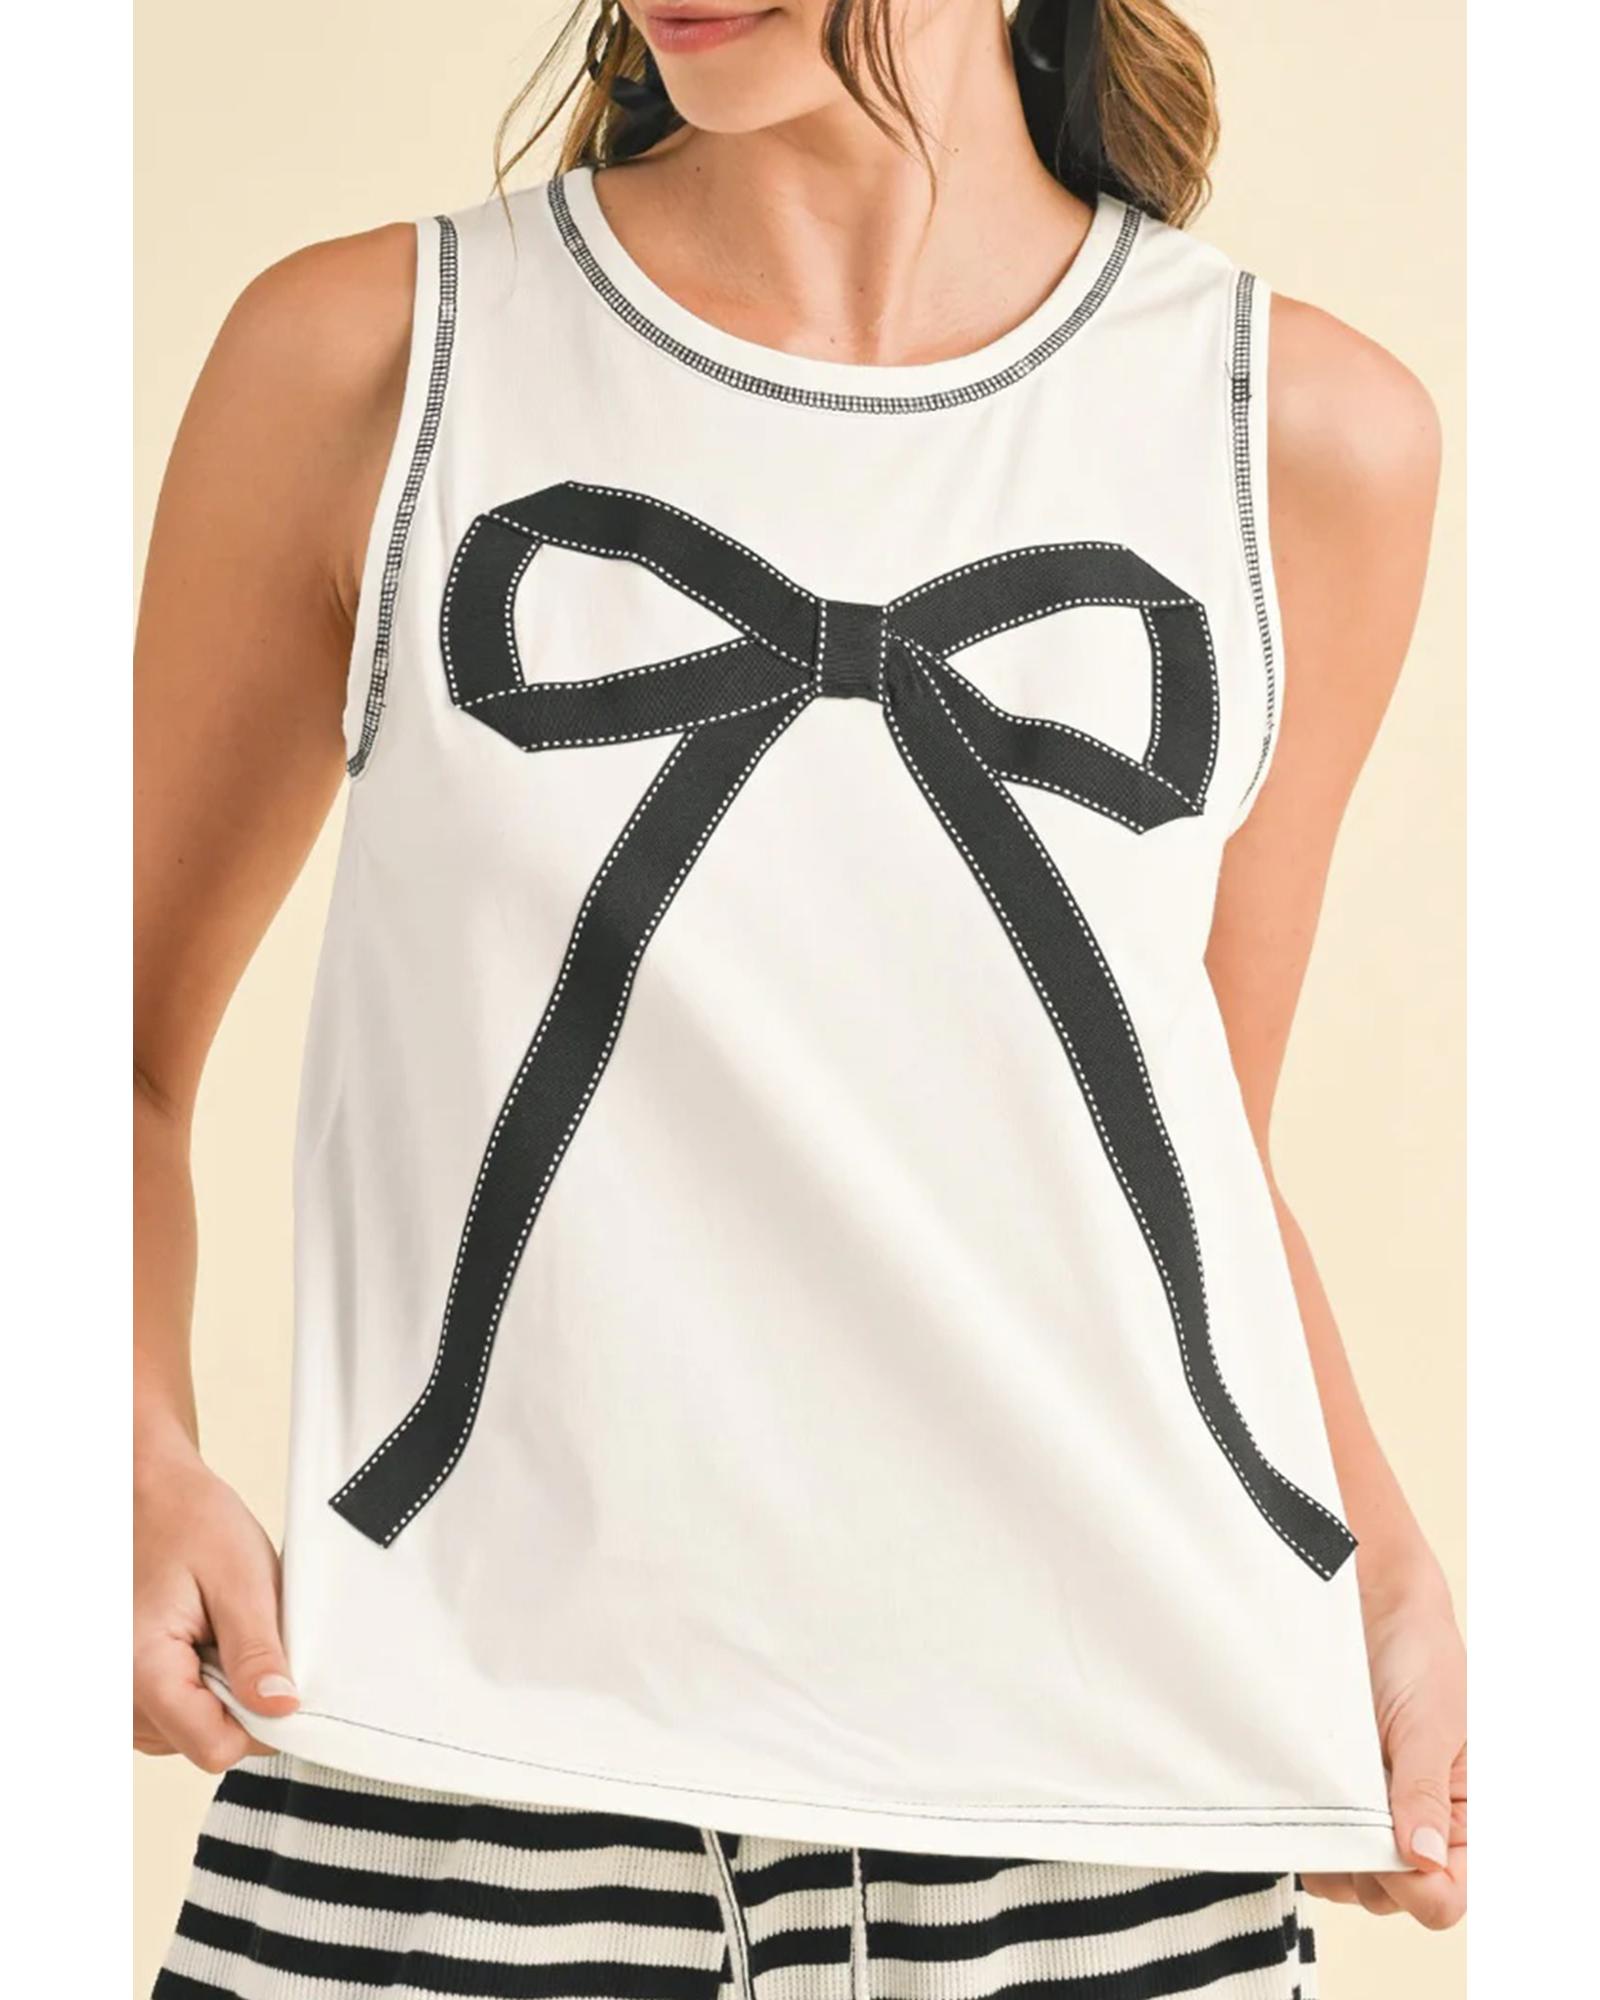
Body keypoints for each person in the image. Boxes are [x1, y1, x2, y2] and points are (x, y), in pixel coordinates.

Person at [134, 2, 1466, 1993]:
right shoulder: (375, 361)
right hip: (439, 1791)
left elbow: (1183, 1151)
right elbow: (102, 1046)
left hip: (1107, 1841)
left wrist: (1378, 1577)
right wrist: (119, 1443)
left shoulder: (1301, 434)